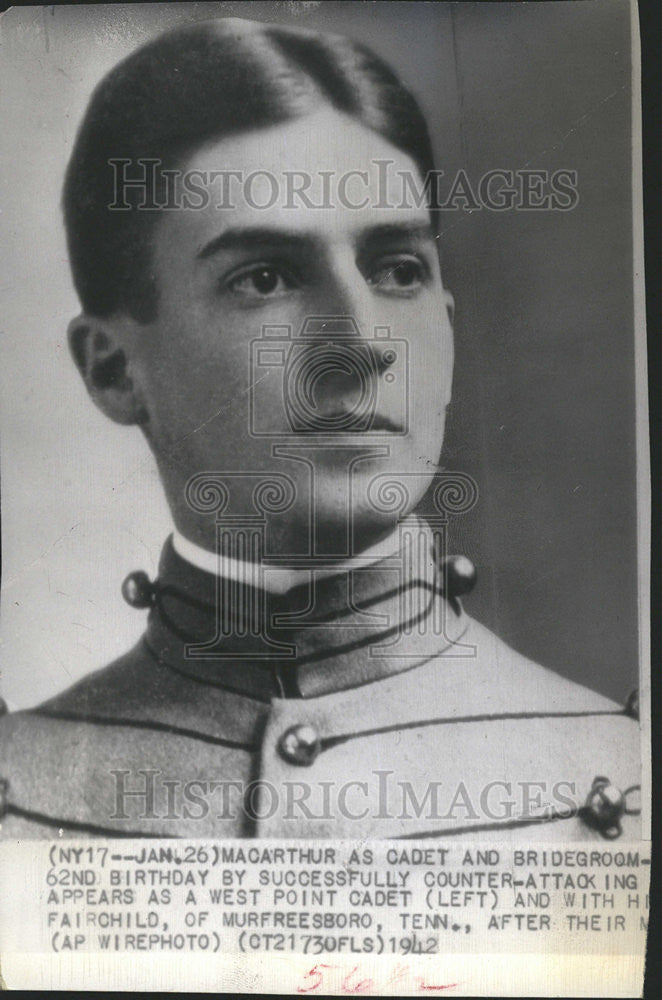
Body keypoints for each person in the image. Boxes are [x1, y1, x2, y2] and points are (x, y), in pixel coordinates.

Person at [0, 17, 640, 840]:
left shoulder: (620, 777)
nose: (365, 345)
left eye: (397, 271)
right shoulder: (21, 791)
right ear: (113, 370)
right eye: (265, 278)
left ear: (445, 322)